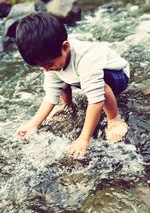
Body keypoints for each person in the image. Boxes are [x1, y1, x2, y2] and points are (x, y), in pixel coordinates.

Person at [16, 13, 129, 157]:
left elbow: (96, 100)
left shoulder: (86, 58)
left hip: (117, 75)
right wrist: (33, 124)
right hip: (81, 76)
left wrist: (84, 138)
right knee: (58, 73)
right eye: (41, 66)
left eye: (48, 64)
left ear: (65, 47)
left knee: (98, 86)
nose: (45, 69)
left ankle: (114, 119)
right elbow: (51, 94)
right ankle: (67, 103)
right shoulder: (52, 58)